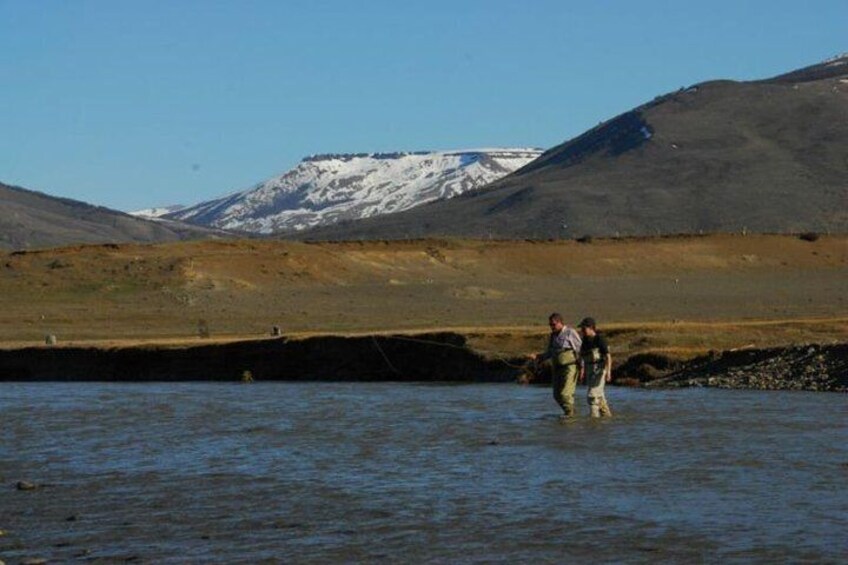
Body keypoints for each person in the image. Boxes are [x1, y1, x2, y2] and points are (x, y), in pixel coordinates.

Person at [530, 313, 583, 418]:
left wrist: (582, 367)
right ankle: (570, 413)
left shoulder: (570, 332)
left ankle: (571, 416)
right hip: (557, 368)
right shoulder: (553, 335)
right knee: (557, 395)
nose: (551, 327)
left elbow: (580, 350)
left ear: (560, 323)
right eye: (550, 325)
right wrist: (538, 357)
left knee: (565, 394)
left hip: (570, 367)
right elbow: (550, 352)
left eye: (553, 324)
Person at [578, 317, 613, 418]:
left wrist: (608, 372)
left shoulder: (600, 339)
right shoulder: (585, 341)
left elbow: (608, 357)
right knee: (600, 397)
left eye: (584, 329)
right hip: (589, 370)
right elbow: (582, 357)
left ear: (591, 328)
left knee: (592, 396)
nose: (582, 331)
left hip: (599, 370)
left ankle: (594, 421)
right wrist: (582, 371)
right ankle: (607, 418)